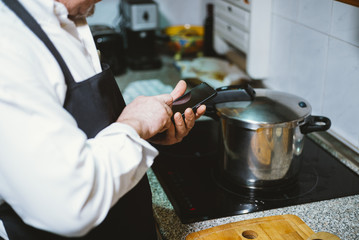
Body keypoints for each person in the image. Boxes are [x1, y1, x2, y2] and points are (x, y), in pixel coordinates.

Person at [0, 0, 206, 239]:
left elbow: (78, 125)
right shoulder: (9, 42)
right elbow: (69, 204)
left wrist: (142, 132)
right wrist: (134, 125)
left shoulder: (68, 21)